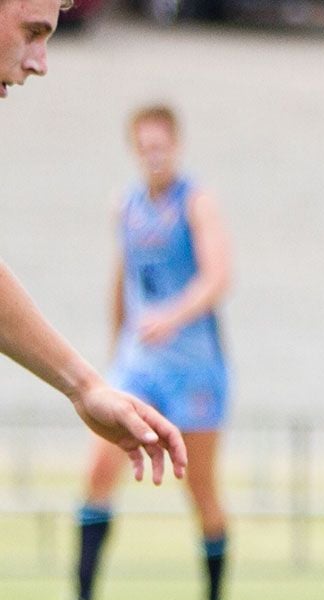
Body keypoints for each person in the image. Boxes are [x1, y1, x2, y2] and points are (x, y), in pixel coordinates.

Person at [31, 104, 231, 600]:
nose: (153, 153)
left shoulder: (197, 201)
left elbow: (218, 278)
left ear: (176, 143)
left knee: (201, 488)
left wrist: (172, 316)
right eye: (144, 144)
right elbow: (121, 281)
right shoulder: (127, 206)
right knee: (99, 471)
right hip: (140, 364)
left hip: (194, 365)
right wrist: (112, 356)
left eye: (161, 143)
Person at [0, 1, 186, 498]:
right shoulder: (129, 204)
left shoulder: (195, 198)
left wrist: (86, 386)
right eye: (33, 32)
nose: (40, 62)